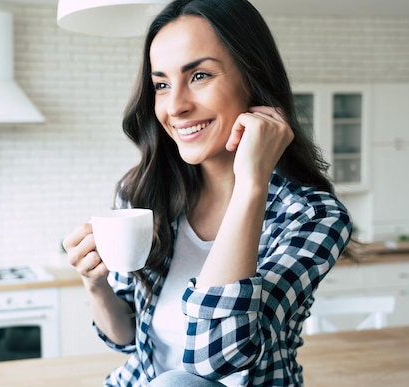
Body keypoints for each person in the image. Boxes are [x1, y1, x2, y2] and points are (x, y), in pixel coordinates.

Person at [62, 0, 352, 386]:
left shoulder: (313, 216)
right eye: (162, 84)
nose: (176, 107)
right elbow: (128, 340)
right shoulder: (143, 193)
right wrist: (95, 283)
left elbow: (215, 361)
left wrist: (251, 184)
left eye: (199, 75)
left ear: (253, 77)